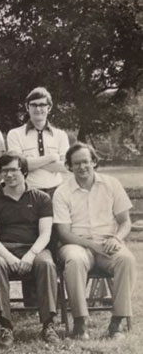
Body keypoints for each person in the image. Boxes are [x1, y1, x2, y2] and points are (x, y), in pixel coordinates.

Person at [54, 142, 136, 340]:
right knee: (74, 260)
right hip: (76, 243)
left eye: (86, 162)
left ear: (94, 162)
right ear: (69, 166)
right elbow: (64, 233)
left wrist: (116, 238)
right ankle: (80, 324)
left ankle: (116, 324)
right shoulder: (62, 192)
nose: (82, 167)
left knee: (126, 260)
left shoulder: (111, 184)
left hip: (108, 242)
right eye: (76, 164)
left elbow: (125, 222)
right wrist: (92, 245)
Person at [0, 152, 59, 347]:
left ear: (24, 172)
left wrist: (30, 256)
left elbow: (45, 234)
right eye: (4, 171)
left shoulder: (41, 198)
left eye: (13, 170)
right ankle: (5, 325)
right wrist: (10, 258)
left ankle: (48, 324)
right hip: (3, 250)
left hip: (34, 248)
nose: (8, 175)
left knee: (47, 263)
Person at [6, 87, 69, 197]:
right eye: (34, 105)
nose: (38, 109)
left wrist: (30, 163)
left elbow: (66, 166)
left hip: (56, 191)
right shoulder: (15, 134)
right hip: (28, 192)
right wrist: (51, 157)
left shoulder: (60, 135)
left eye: (42, 105)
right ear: (27, 107)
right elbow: (18, 166)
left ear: (49, 108)